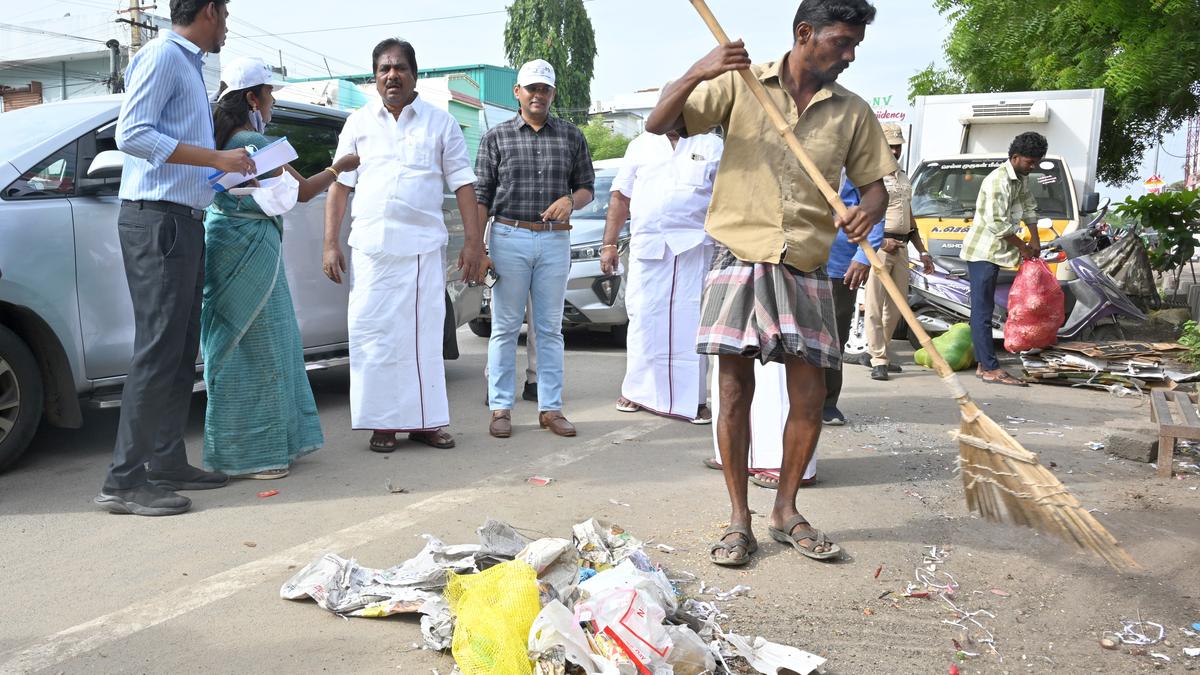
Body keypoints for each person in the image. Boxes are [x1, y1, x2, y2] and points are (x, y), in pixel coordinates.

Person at [646, 0, 895, 565]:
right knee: (733, 391)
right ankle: (739, 518)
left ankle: (785, 509)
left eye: (855, 45)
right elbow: (660, 123)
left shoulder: (852, 111)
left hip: (805, 260)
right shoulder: (741, 83)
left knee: (809, 395)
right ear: (805, 33)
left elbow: (876, 186)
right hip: (738, 252)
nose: (850, 55)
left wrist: (868, 213)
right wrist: (701, 69)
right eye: (841, 42)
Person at [95, 0, 258, 517]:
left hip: (182, 218)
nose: (227, 27)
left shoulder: (188, 64)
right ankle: (123, 481)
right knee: (158, 350)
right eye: (226, 16)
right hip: (158, 221)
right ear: (209, 11)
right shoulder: (163, 55)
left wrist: (222, 174)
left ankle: (165, 462)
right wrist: (214, 156)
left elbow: (176, 152)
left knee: (180, 348)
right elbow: (131, 134)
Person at [323, 38, 487, 451]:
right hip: (371, 249)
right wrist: (330, 243)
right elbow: (340, 186)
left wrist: (474, 244)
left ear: (414, 74)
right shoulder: (357, 123)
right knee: (373, 335)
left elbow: (463, 184)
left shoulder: (440, 123)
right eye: (384, 69)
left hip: (420, 249)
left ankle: (426, 422)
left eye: (399, 68)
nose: (392, 75)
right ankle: (382, 424)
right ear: (375, 77)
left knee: (422, 337)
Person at [200, 57, 359, 479]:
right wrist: (337, 168)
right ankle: (261, 454)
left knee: (230, 346)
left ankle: (237, 446)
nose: (272, 103)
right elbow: (303, 192)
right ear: (253, 99)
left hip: (222, 243)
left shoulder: (215, 139)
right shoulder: (253, 142)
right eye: (270, 95)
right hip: (253, 248)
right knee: (265, 345)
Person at [706, 176, 874, 488]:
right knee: (735, 386)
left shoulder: (839, 153)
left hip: (808, 260)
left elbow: (873, 195)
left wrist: (863, 247)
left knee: (805, 382)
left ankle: (787, 480)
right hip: (745, 254)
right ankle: (742, 473)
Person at [475, 59, 595, 439]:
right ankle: (500, 408)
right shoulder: (496, 137)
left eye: (544, 89)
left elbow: (587, 188)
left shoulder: (571, 136)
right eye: (531, 88)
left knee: (550, 329)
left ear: (553, 93)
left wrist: (570, 201)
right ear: (518, 92)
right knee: (505, 327)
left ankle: (551, 408)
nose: (538, 95)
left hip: (555, 238)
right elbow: (481, 196)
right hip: (508, 236)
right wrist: (478, 248)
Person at [600, 127, 723, 424]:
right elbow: (620, 197)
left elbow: (726, 201)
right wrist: (609, 244)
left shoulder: (711, 144)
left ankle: (694, 400)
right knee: (643, 319)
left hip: (695, 248)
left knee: (691, 322)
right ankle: (636, 391)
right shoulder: (640, 145)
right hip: (649, 247)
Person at [961, 131, 1045, 386]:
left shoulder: (1020, 179)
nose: (1033, 167)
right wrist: (1023, 247)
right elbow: (997, 223)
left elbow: (1029, 207)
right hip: (983, 253)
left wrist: (1035, 240)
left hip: (1000, 253)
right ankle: (989, 368)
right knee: (982, 312)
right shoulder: (998, 181)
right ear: (1015, 157)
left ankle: (983, 364)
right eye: (1030, 162)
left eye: (1036, 162)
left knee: (988, 310)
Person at [863, 123, 934, 381]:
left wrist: (923, 251)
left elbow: (908, 215)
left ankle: (880, 351)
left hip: (902, 246)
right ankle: (878, 359)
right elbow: (862, 214)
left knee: (897, 306)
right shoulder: (871, 174)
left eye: (898, 146)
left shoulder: (903, 177)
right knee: (874, 304)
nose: (894, 151)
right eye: (890, 146)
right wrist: (881, 242)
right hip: (879, 246)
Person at [822, 175, 883, 425]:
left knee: (834, 337)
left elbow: (875, 216)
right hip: (797, 263)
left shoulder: (854, 172)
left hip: (840, 270)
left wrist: (862, 258)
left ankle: (827, 403)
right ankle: (794, 401)